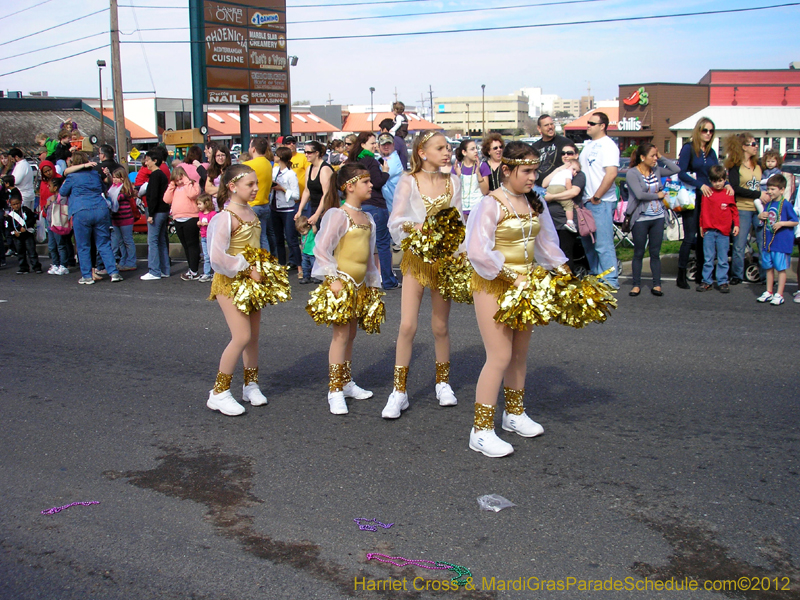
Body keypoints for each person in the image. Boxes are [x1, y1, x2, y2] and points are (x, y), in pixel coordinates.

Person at [465, 141, 568, 457]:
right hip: (494, 285)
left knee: (519, 355)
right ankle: (480, 430)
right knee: (499, 355)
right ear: (506, 170)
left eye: (536, 171)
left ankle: (514, 414)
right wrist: (512, 276)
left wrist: (564, 272)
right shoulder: (490, 204)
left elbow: (548, 243)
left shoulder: (536, 203)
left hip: (526, 288)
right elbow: (478, 251)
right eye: (526, 171)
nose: (533, 177)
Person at [383, 131, 464, 419]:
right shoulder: (409, 181)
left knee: (440, 326)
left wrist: (459, 252)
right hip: (417, 259)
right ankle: (399, 391)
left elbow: (458, 221)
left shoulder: (454, 181)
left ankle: (443, 383)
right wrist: (419, 229)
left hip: (443, 260)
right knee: (407, 326)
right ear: (422, 152)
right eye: (440, 148)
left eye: (448, 147)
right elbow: (396, 219)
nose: (447, 152)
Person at [307, 163, 385, 415]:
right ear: (350, 186)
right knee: (340, 337)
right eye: (366, 182)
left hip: (360, 286)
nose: (371, 185)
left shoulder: (368, 218)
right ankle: (334, 390)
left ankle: (346, 381)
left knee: (350, 335)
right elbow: (321, 249)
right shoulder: (338, 215)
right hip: (342, 284)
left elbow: (371, 254)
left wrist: (374, 282)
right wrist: (333, 279)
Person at [206, 164, 277, 416]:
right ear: (232, 187)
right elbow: (217, 257)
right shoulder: (225, 217)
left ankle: (251, 385)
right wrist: (247, 268)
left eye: (256, 183)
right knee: (241, 336)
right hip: (230, 282)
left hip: (252, 283)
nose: (256, 188)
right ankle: (219, 392)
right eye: (250, 184)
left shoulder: (251, 213)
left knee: (253, 337)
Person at [676, 117, 729, 289]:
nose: (708, 134)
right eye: (705, 130)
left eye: (711, 131)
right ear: (698, 131)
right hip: (692, 197)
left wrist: (727, 185)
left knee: (704, 235)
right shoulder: (688, 149)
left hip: (709, 198)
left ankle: (701, 273)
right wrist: (700, 184)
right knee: (690, 235)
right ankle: (681, 274)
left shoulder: (711, 152)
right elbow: (681, 173)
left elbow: (716, 173)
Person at [624, 143, 680, 297]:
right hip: (641, 217)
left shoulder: (656, 169)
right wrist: (658, 196)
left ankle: (657, 284)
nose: (655, 158)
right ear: (642, 157)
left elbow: (676, 170)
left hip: (658, 216)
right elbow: (640, 195)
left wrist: (661, 157)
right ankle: (636, 285)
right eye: (652, 156)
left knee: (655, 252)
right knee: (639, 252)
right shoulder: (632, 174)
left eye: (656, 155)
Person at [59, 152, 122, 285]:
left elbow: (63, 192)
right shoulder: (95, 175)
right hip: (100, 208)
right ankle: (113, 272)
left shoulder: (72, 176)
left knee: (83, 245)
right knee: (104, 243)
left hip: (80, 210)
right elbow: (103, 188)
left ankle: (87, 276)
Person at [349, 132, 399, 290]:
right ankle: (388, 280)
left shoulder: (355, 161)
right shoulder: (370, 161)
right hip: (376, 205)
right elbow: (377, 182)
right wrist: (385, 172)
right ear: (363, 144)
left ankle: (361, 279)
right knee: (383, 244)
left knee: (363, 244)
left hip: (359, 205)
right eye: (372, 143)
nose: (375, 146)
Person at [578, 111, 619, 289]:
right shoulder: (588, 146)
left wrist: (597, 196)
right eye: (588, 123)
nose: (588, 125)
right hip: (585, 202)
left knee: (603, 243)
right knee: (588, 243)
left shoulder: (608, 146)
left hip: (600, 202)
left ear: (602, 126)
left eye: (592, 123)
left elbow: (611, 174)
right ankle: (597, 275)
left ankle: (611, 280)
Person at [724, 132, 770, 286]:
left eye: (756, 143)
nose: (756, 146)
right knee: (739, 243)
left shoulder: (758, 166)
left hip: (759, 209)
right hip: (742, 208)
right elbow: (736, 188)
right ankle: (736, 275)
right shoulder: (735, 167)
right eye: (752, 144)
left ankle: (765, 276)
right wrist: (758, 194)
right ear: (743, 147)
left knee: (763, 242)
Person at [542, 143, 586, 272]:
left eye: (570, 153)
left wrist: (551, 197)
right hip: (551, 219)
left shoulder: (578, 174)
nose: (566, 156)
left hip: (564, 221)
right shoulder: (559, 172)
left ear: (576, 155)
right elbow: (545, 183)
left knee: (565, 253)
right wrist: (559, 169)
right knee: (552, 253)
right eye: (563, 153)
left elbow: (573, 192)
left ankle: (568, 284)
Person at [756, 174, 798, 306]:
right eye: (768, 189)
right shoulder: (769, 204)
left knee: (780, 268)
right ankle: (769, 291)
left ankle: (779, 294)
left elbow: (795, 221)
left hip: (781, 243)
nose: (769, 192)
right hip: (769, 242)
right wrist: (760, 215)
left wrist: (782, 224)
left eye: (773, 189)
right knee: (768, 267)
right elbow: (765, 218)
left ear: (782, 189)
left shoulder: (785, 205)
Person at [697, 165, 739, 293]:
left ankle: (723, 281)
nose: (718, 184)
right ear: (710, 180)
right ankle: (707, 281)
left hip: (724, 232)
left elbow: (734, 210)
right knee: (708, 258)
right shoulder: (707, 193)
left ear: (724, 179)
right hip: (709, 230)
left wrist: (736, 224)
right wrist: (701, 226)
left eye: (720, 180)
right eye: (715, 181)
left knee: (723, 258)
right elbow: (703, 210)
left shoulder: (728, 193)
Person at [164, 165, 202, 280]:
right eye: (177, 180)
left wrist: (186, 181)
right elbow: (166, 199)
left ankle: (194, 270)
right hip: (178, 219)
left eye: (181, 178)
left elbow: (192, 195)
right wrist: (171, 185)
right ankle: (191, 268)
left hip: (191, 218)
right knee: (185, 245)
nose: (179, 181)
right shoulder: (175, 188)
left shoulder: (192, 185)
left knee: (192, 244)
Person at [141, 150, 171, 281]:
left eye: (147, 160)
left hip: (156, 211)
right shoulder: (162, 175)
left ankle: (154, 270)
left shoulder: (154, 176)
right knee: (161, 240)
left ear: (154, 161)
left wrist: (150, 214)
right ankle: (165, 269)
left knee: (152, 240)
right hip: (164, 210)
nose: (145, 163)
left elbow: (152, 196)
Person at [270, 147, 302, 269]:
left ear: (281, 157)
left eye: (276, 154)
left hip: (287, 209)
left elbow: (296, 195)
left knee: (291, 238)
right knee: (278, 239)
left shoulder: (290, 174)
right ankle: (282, 265)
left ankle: (299, 266)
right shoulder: (275, 171)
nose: (274, 156)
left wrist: (283, 189)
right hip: (274, 208)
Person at [244, 137, 275, 254]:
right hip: (265, 204)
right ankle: (266, 265)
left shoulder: (248, 165)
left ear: (253, 149)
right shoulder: (268, 163)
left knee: (250, 239)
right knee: (263, 238)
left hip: (251, 205)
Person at [531, 114, 574, 196]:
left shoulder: (565, 143)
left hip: (558, 189)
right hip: (538, 188)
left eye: (551, 124)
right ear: (539, 128)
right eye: (546, 125)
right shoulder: (535, 147)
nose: (550, 127)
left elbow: (574, 164)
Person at [296, 140, 333, 226]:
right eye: (305, 152)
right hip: (313, 206)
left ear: (317, 153)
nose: (306, 155)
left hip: (326, 209)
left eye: (309, 152)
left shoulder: (324, 169)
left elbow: (326, 194)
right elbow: (307, 191)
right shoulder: (309, 168)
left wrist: (317, 214)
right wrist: (300, 210)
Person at [108, 168, 138, 272]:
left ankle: (131, 261)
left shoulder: (126, 189)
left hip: (126, 219)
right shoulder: (113, 188)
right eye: (114, 177)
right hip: (115, 218)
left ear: (123, 178)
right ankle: (123, 260)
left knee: (128, 241)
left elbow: (118, 198)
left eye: (118, 177)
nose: (115, 180)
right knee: (120, 241)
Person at [5, 189, 42, 274]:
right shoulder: (10, 216)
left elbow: (32, 219)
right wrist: (14, 232)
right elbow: (8, 227)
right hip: (17, 237)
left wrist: (25, 226)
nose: (16, 206)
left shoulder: (26, 210)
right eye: (14, 204)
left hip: (27, 234)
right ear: (11, 205)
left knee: (32, 251)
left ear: (21, 202)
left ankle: (36, 266)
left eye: (17, 203)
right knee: (20, 252)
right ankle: (23, 267)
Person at [454, 139, 486, 221]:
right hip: (461, 209)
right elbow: (452, 193)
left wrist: (478, 174)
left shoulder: (482, 166)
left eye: (476, 148)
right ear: (464, 152)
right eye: (472, 149)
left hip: (479, 208)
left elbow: (485, 191)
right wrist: (457, 176)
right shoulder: (457, 168)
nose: (476, 151)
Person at [546, 159, 580, 233]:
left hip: (550, 188)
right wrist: (569, 191)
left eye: (576, 171)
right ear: (567, 166)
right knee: (568, 205)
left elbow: (545, 184)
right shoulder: (567, 172)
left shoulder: (558, 172)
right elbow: (567, 182)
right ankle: (570, 222)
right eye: (573, 169)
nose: (574, 172)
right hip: (560, 188)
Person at [377, 133, 403, 213]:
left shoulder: (393, 160)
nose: (386, 147)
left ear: (393, 144)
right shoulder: (384, 159)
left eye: (389, 144)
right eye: (383, 144)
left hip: (395, 208)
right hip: (390, 206)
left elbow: (378, 177)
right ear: (379, 146)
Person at [196, 193, 217, 283]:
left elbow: (216, 224)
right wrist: (199, 224)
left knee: (214, 256)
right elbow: (200, 223)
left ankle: (217, 273)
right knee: (206, 256)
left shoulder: (213, 214)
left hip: (211, 237)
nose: (198, 206)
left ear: (206, 203)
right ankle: (207, 273)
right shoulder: (200, 214)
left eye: (200, 204)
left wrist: (208, 224)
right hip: (204, 237)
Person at [295, 215, 318, 284]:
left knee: (313, 265)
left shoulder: (311, 232)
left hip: (312, 253)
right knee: (305, 266)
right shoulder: (303, 234)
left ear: (308, 227)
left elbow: (315, 230)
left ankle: (316, 277)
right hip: (305, 253)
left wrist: (313, 225)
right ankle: (306, 277)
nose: (302, 233)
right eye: (300, 232)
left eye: (303, 231)